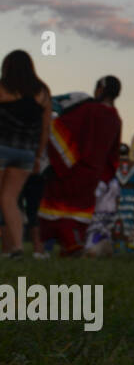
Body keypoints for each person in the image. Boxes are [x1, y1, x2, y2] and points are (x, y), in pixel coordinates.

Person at [38, 75, 122, 256]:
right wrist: (106, 177)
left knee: (58, 213)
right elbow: (113, 155)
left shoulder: (89, 110)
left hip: (72, 169)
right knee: (77, 217)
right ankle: (72, 245)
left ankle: (65, 246)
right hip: (94, 176)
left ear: (100, 90)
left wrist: (61, 158)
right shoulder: (116, 119)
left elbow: (58, 128)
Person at [0, 50, 52, 258]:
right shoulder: (43, 92)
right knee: (10, 199)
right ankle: (17, 247)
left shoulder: (3, 88)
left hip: (2, 146)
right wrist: (38, 156)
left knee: (3, 199)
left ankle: (12, 246)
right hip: (26, 153)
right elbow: (45, 128)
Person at [112, 146, 134, 253]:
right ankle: (129, 247)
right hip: (131, 196)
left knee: (115, 220)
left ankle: (116, 247)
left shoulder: (113, 164)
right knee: (129, 221)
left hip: (116, 196)